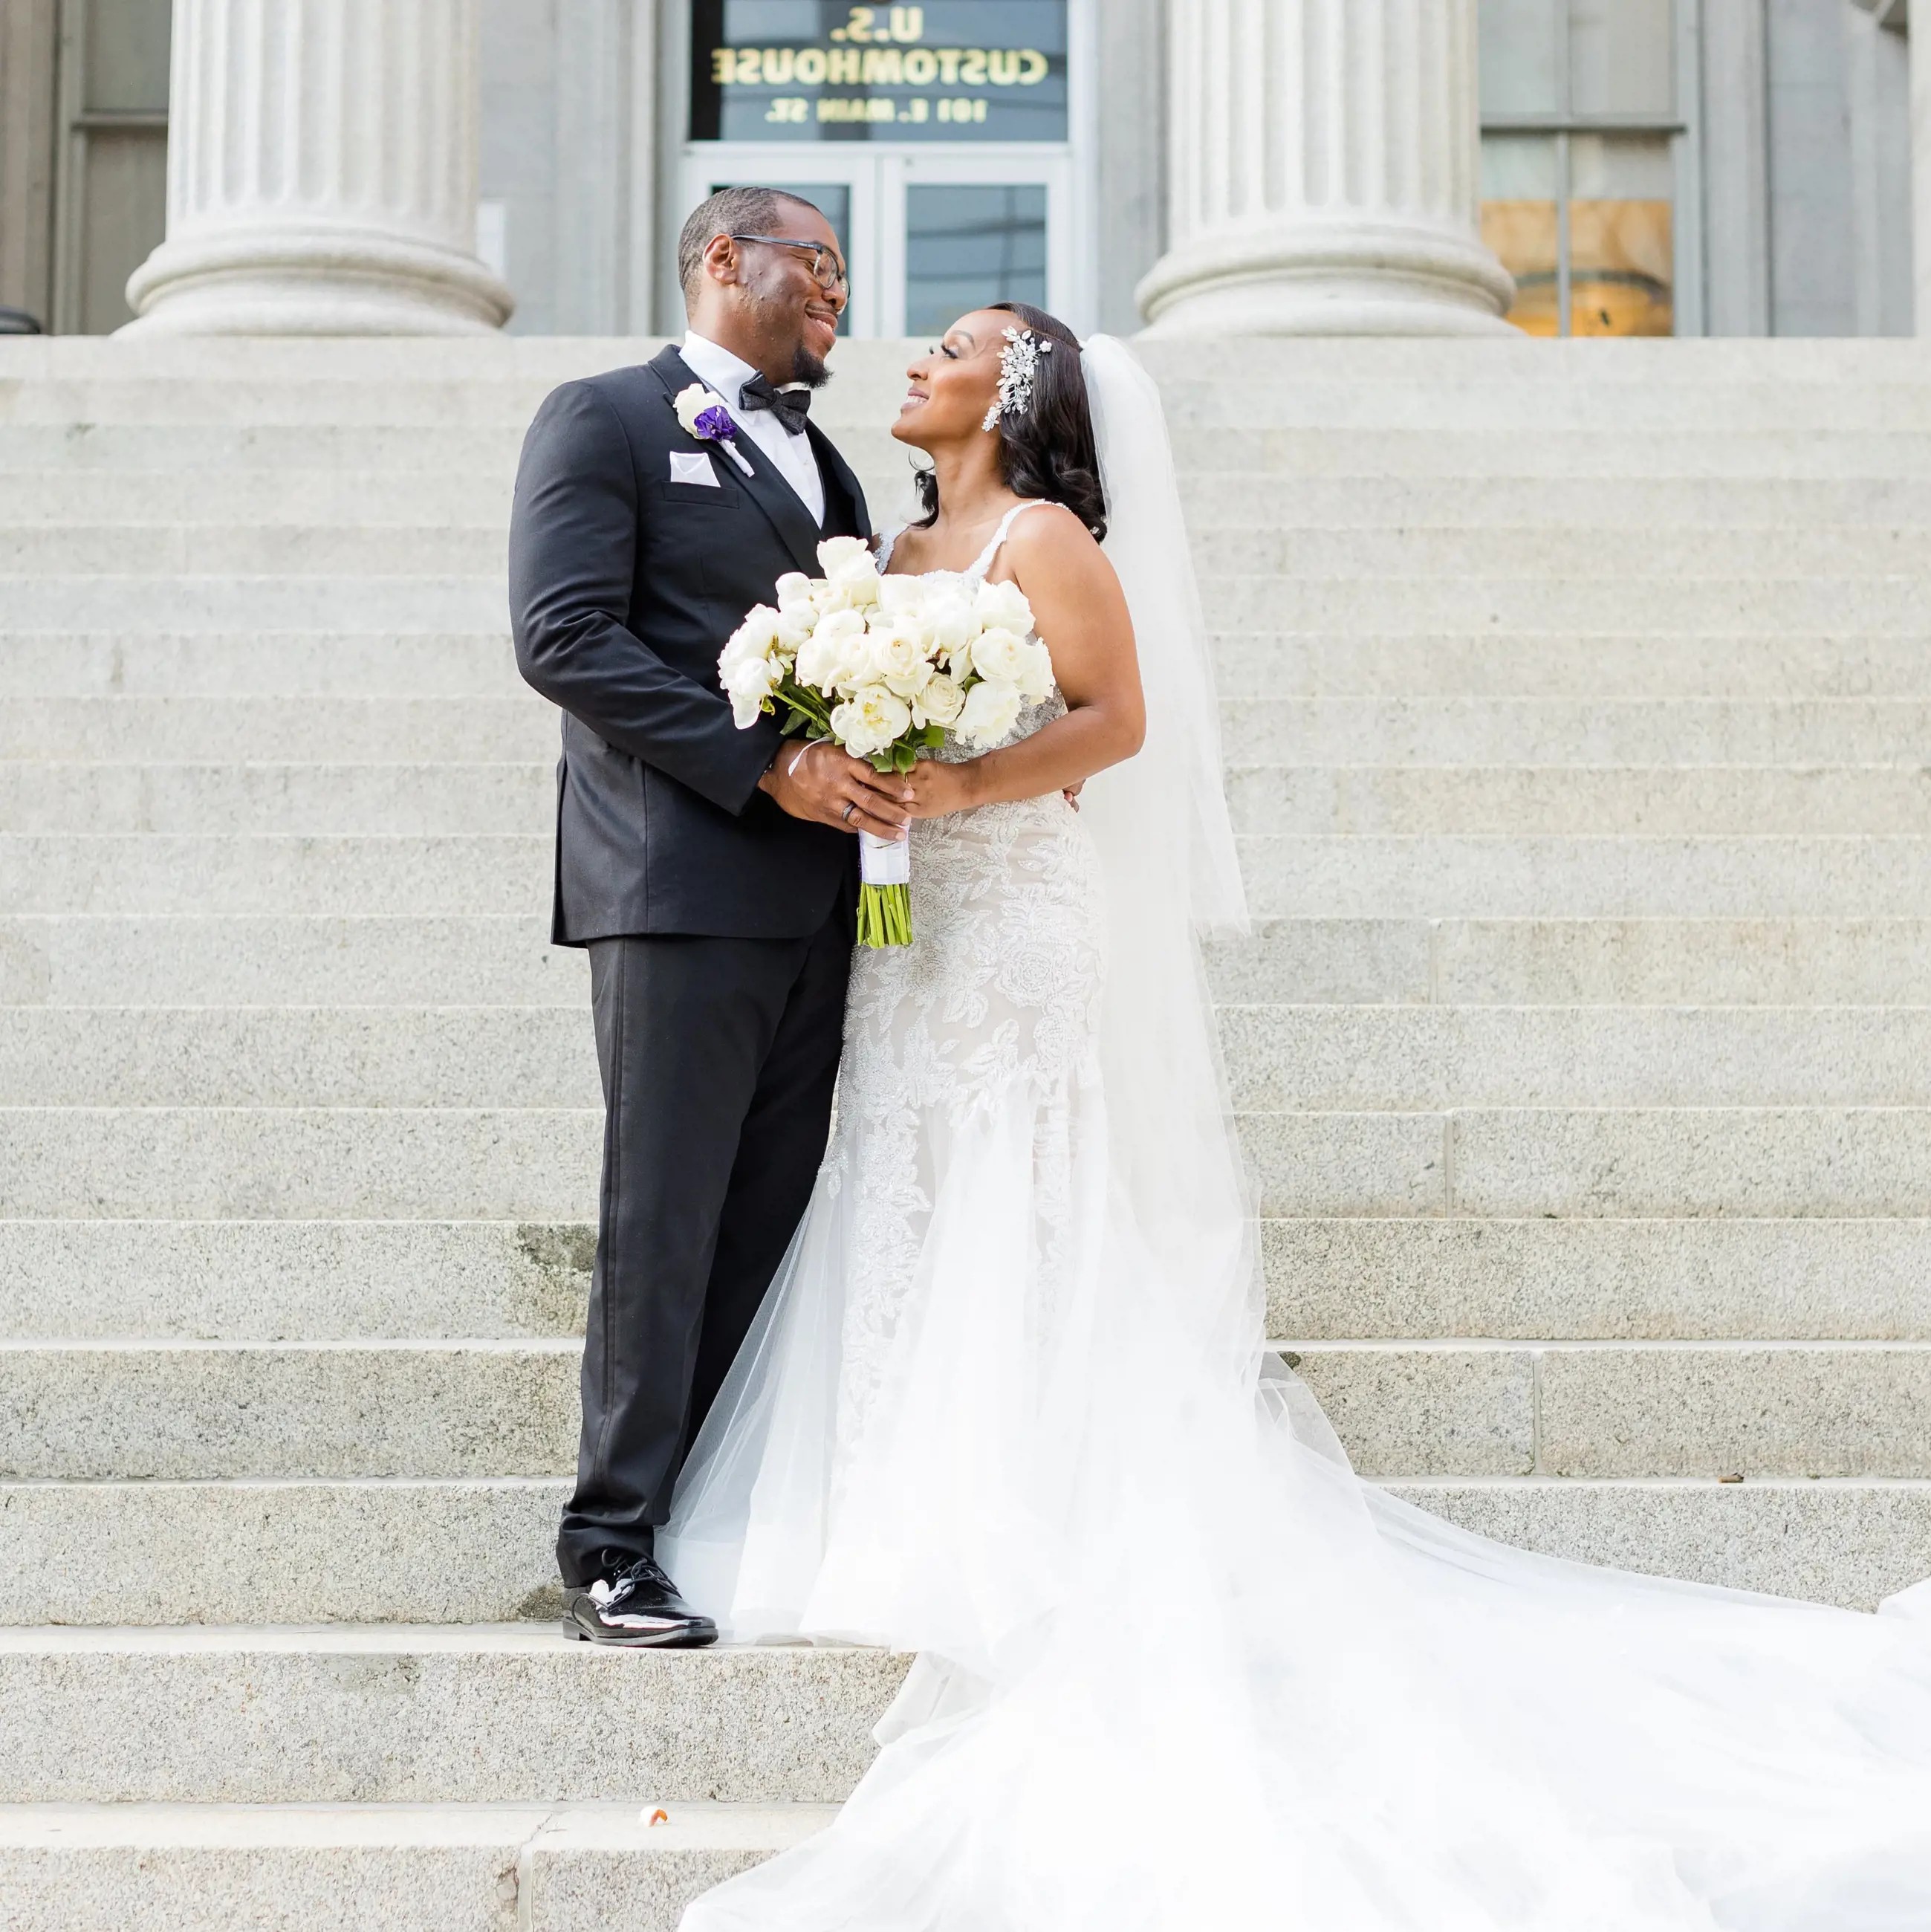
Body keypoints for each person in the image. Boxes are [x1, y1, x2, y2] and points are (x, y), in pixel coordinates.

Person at [660, 306, 1931, 1928]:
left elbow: (1116, 723)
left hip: (1020, 906)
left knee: (1012, 1167)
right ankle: (884, 1478)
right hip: (909, 921)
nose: (912, 355)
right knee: (897, 1165)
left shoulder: (1048, 538)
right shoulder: (893, 541)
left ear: (1020, 387)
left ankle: (1013, 1489)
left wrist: (959, 782)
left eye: (953, 343)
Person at [508, 186, 910, 1647]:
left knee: (763, 1220)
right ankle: (609, 1542)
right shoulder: (604, 417)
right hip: (676, 886)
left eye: (844, 279)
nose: (838, 300)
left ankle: (708, 1521)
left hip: (823, 903)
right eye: (819, 268)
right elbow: (561, 636)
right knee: (661, 1219)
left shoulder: (834, 470)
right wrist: (768, 765)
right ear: (722, 259)